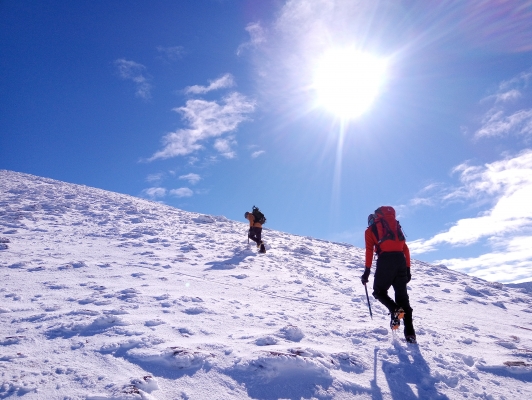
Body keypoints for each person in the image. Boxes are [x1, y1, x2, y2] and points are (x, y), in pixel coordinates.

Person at [361, 206, 416, 344]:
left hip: (386, 261)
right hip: (401, 261)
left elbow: (369, 251)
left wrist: (367, 271)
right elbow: (406, 249)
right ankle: (410, 334)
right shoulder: (396, 229)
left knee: (379, 292)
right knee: (403, 298)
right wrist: (408, 269)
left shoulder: (370, 231)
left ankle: (395, 311)